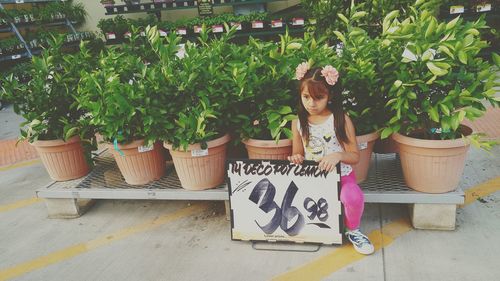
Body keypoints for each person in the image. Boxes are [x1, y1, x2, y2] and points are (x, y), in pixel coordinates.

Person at [287, 62, 374, 255]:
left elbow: (354, 156)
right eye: (306, 97)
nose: (311, 103)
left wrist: (338, 155)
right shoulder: (298, 123)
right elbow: (298, 153)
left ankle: (354, 230)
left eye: (319, 98)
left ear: (329, 96)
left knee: (353, 196)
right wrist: (296, 158)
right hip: (313, 178)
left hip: (341, 177)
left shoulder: (340, 119)